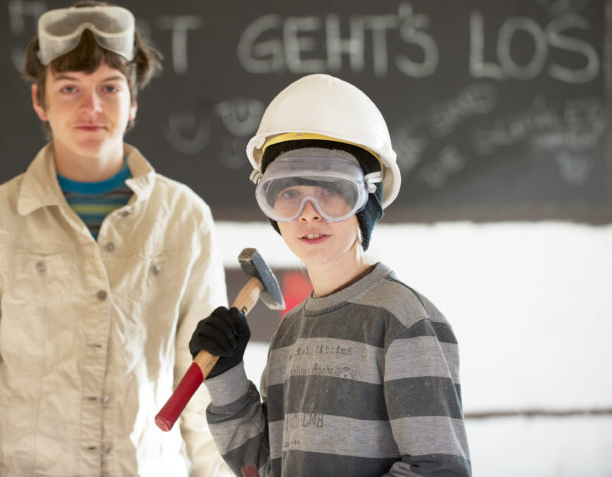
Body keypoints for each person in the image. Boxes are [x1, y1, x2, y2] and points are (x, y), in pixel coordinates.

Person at [0, 1, 231, 477]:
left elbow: (200, 383)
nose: (92, 107)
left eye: (110, 87)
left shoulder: (184, 217)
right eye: (69, 88)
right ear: (39, 101)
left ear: (134, 102)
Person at [189, 74, 472, 476]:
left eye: (331, 189)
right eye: (288, 193)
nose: (308, 211)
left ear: (367, 200)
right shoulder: (291, 332)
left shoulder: (403, 321)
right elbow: (264, 466)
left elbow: (440, 471)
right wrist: (226, 377)